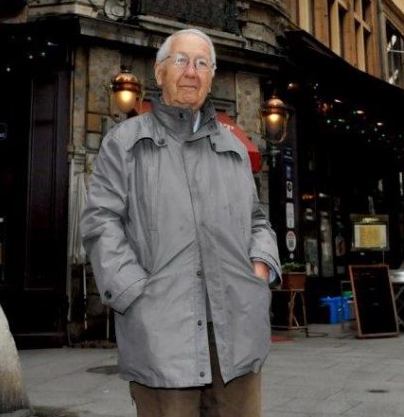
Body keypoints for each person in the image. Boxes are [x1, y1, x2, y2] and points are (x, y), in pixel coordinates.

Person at [80, 28, 280, 417]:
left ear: (211, 77)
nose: (192, 71)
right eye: (181, 60)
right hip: (162, 338)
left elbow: (257, 220)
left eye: (202, 63)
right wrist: (135, 295)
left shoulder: (234, 149)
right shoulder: (125, 142)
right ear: (159, 73)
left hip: (236, 332)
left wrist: (259, 269)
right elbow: (100, 223)